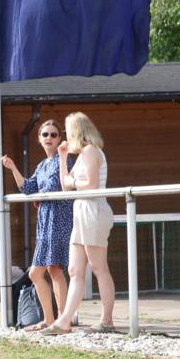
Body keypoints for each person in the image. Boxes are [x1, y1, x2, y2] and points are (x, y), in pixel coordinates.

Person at [41, 112, 117, 335]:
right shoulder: (81, 155)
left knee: (98, 267)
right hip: (81, 211)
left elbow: (91, 185)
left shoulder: (92, 151)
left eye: (66, 130)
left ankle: (107, 320)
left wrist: (73, 181)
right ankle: (64, 321)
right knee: (75, 269)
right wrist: (63, 157)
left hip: (94, 210)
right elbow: (66, 186)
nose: (65, 135)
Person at [1, 119, 74, 330]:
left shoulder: (65, 160)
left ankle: (61, 320)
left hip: (59, 217)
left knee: (52, 270)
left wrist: (40, 195)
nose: (49, 138)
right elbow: (28, 187)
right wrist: (12, 167)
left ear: (60, 138)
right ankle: (52, 320)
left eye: (53, 135)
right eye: (45, 135)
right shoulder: (42, 165)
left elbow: (59, 186)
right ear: (39, 139)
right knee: (46, 271)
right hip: (45, 220)